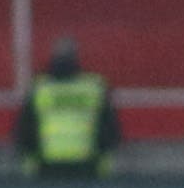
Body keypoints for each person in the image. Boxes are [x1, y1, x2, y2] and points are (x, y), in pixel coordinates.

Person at [13, 39, 114, 177]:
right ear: (75, 58)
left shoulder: (40, 88)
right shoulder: (93, 88)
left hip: (46, 167)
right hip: (87, 166)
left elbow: (25, 129)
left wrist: (29, 161)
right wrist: (104, 160)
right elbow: (109, 129)